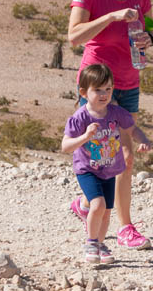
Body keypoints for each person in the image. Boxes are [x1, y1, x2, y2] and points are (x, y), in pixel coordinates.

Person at [67, 0, 153, 250]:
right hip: (97, 83)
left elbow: (150, 28)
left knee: (125, 157)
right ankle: (98, 210)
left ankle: (122, 224)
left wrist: (148, 38)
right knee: (100, 155)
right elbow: (74, 36)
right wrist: (111, 17)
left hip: (128, 80)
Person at [62, 64, 147, 263]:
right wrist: (85, 136)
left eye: (108, 89)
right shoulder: (80, 117)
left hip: (110, 170)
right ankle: (91, 243)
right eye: (98, 90)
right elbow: (66, 146)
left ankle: (100, 245)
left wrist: (143, 140)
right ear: (84, 92)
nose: (104, 94)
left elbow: (132, 128)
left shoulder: (115, 113)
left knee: (106, 213)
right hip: (87, 170)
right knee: (98, 205)